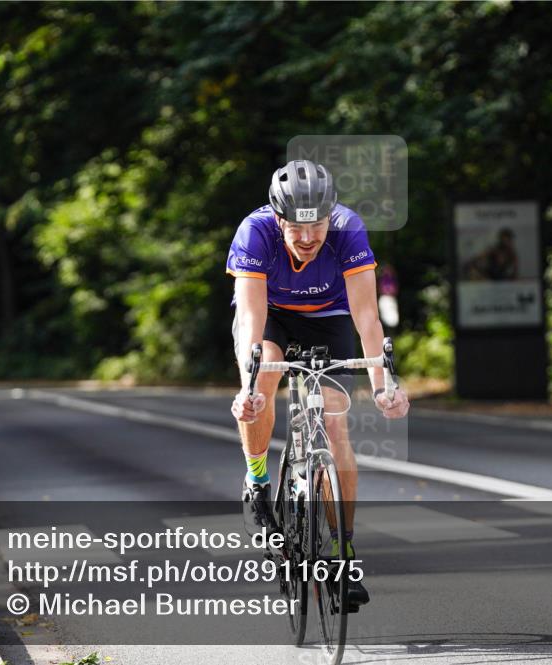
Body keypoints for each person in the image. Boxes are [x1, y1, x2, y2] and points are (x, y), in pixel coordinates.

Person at [227, 159, 410, 608]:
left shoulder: (349, 229)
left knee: (335, 421)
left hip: (328, 319)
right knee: (266, 377)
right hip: (272, 316)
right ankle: (257, 480)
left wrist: (385, 383)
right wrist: (248, 387)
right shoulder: (255, 232)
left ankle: (344, 550)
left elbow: (366, 315)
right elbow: (250, 318)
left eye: (318, 226)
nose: (308, 238)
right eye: (296, 228)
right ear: (278, 217)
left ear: (332, 216)